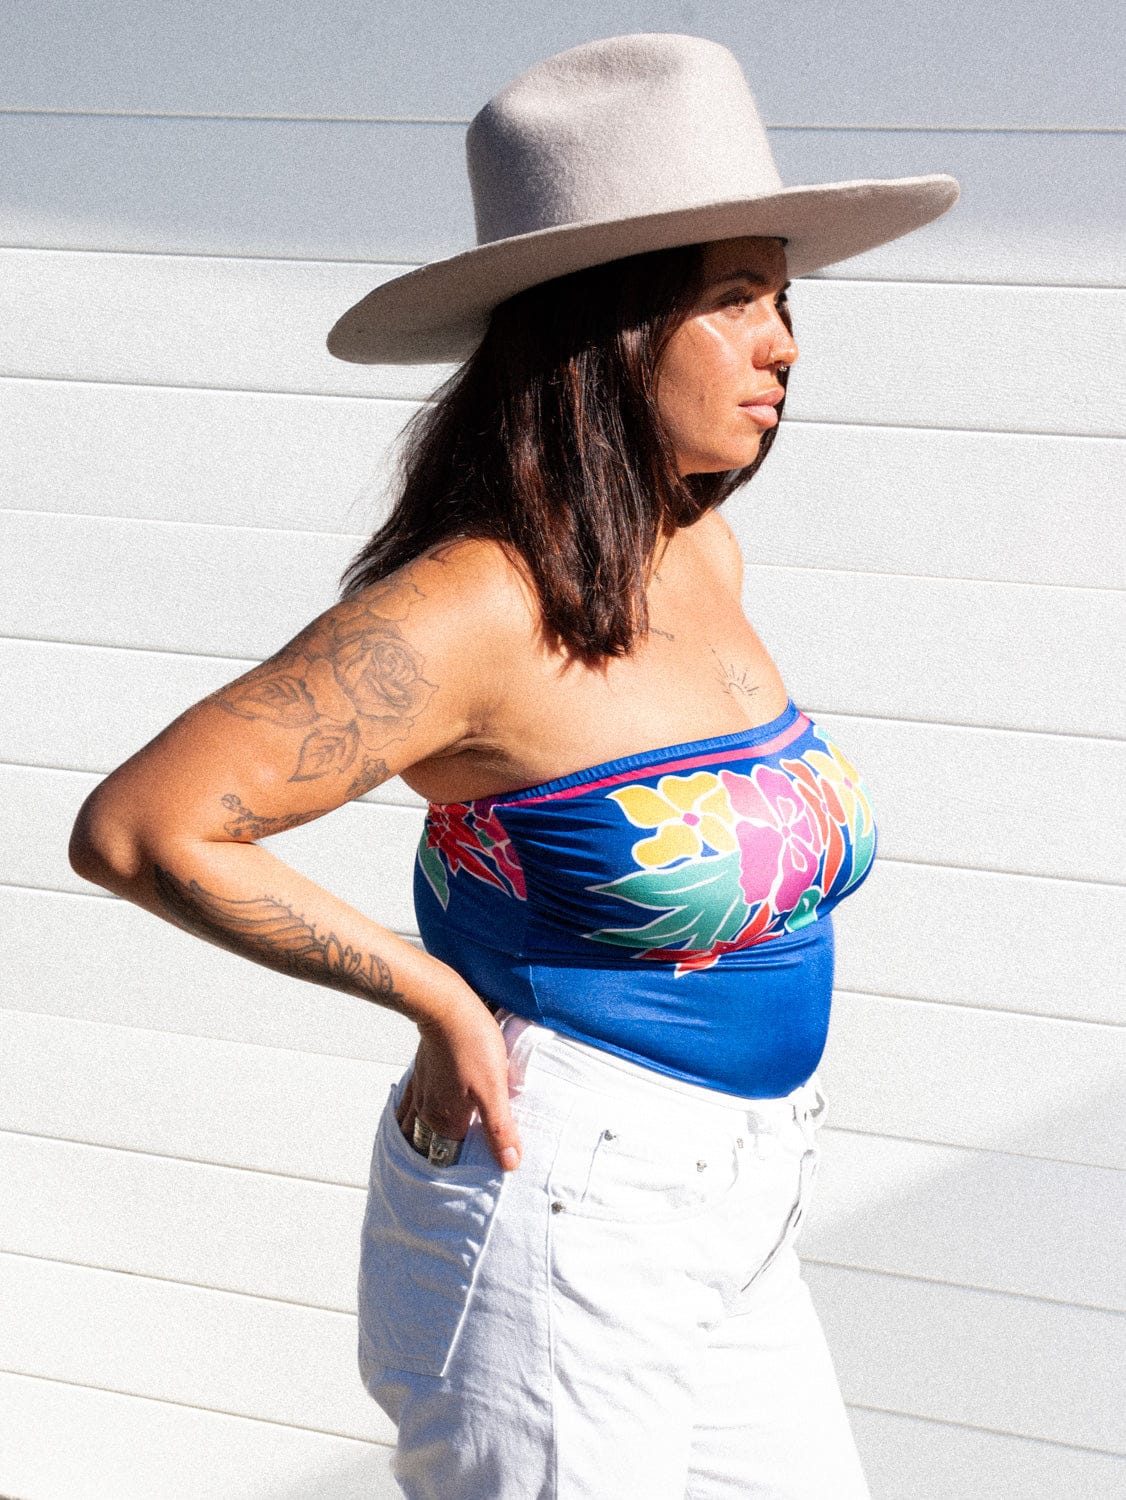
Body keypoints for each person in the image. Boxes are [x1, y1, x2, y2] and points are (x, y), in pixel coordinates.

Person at [69, 32, 958, 1500]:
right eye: (733, 298)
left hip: (743, 1198)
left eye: (782, 296)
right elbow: (146, 827)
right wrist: (430, 994)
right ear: (607, 328)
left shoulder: (696, 547)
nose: (783, 343)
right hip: (567, 1202)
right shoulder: (470, 606)